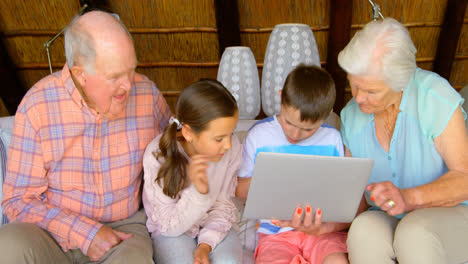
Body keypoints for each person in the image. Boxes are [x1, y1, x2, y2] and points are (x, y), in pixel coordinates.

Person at [0, 10, 171, 263]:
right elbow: (17, 200)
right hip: (53, 234)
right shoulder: (38, 106)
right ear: (81, 74)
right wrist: (86, 233)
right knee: (8, 246)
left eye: (131, 70)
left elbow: (176, 154)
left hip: (123, 232)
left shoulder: (148, 95)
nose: (129, 85)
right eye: (115, 76)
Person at [338, 18, 468, 264]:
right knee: (363, 230)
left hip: (454, 214)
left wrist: (409, 197)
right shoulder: (350, 116)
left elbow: (465, 177)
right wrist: (322, 223)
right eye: (353, 86)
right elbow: (356, 203)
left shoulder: (434, 97)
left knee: (415, 232)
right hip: (388, 217)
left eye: (371, 91)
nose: (359, 98)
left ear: (401, 83)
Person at [236, 65, 354, 264]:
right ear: (281, 98)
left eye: (308, 130)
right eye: (289, 122)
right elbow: (240, 191)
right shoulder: (259, 135)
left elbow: (343, 195)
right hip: (275, 234)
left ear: (327, 115)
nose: (295, 134)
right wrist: (268, 176)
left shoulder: (332, 138)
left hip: (322, 231)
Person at [142, 79, 242, 264]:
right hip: (172, 230)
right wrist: (198, 193)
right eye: (219, 138)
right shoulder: (158, 155)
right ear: (188, 133)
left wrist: (206, 245)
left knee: (229, 261)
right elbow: (168, 226)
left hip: (215, 223)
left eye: (232, 133)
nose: (228, 144)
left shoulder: (231, 147)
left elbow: (223, 206)